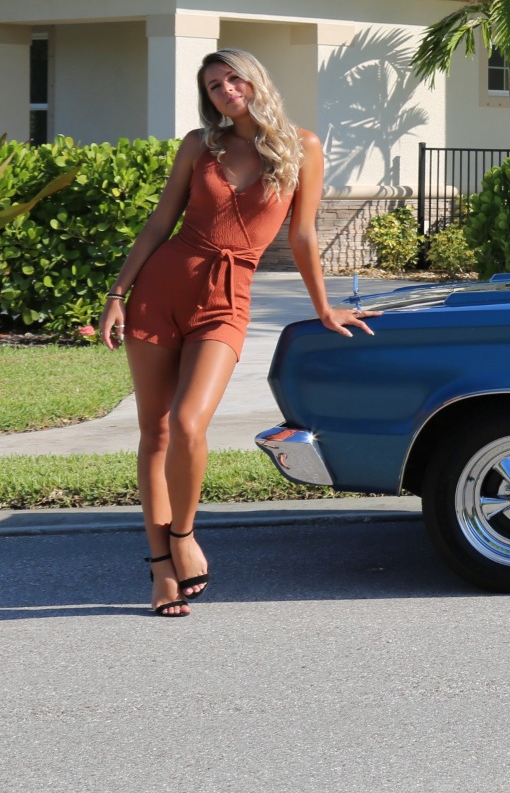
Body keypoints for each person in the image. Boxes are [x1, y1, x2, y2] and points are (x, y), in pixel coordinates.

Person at [99, 48, 376, 617]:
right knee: (154, 433)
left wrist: (324, 308)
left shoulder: (303, 147)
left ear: (254, 79)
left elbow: (302, 237)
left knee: (187, 421)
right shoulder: (200, 145)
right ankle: (160, 573)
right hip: (162, 289)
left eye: (233, 78)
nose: (226, 90)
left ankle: (183, 537)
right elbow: (160, 222)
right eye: (214, 85)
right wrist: (116, 295)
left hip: (227, 298)